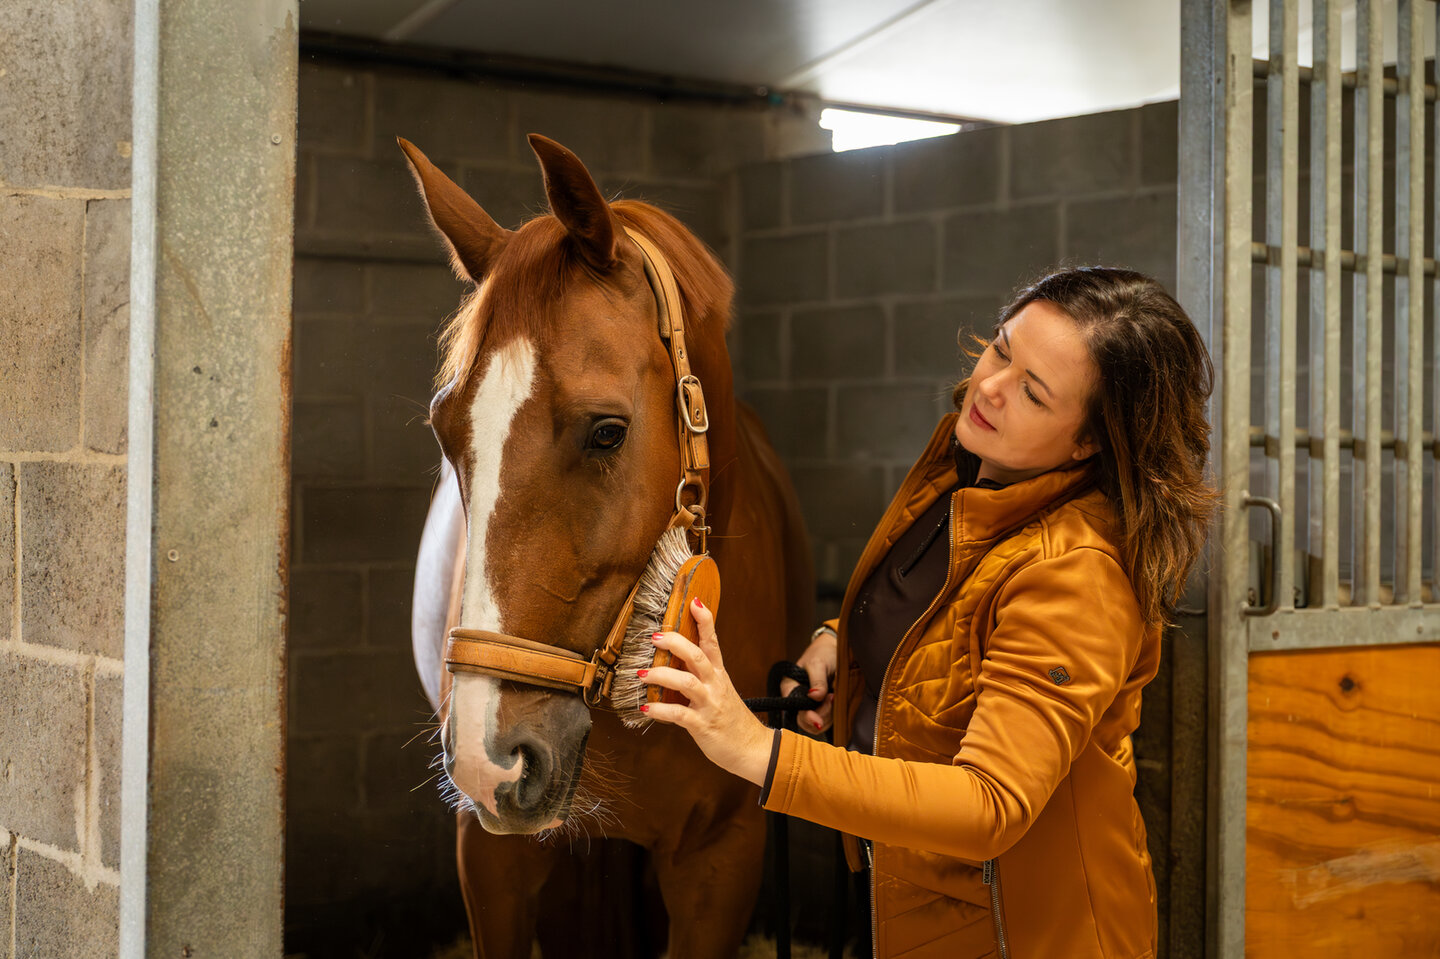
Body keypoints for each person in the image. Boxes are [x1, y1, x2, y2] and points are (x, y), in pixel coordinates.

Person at [638, 266, 1215, 958]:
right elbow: (937, 620)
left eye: (1033, 392)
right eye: (1002, 348)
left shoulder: (1076, 574)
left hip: (1015, 934)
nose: (991, 387)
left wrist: (758, 749)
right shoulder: (966, 469)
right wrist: (841, 643)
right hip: (907, 895)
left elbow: (989, 804)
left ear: (1090, 440)